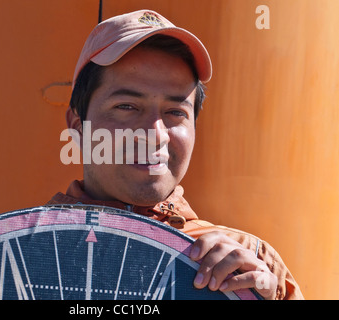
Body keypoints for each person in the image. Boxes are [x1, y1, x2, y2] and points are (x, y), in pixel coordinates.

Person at [47, 9, 303, 300]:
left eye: (175, 112)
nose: (155, 134)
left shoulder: (250, 264)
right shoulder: (16, 250)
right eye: (127, 106)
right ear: (77, 126)